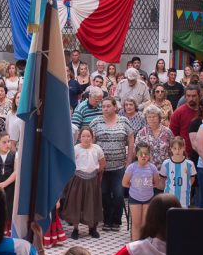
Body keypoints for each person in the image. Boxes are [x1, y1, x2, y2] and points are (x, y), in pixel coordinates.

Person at [90, 98, 134, 232]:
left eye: (108, 106)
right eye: (103, 106)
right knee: (104, 194)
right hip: (102, 167)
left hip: (119, 165)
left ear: (115, 107)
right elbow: (91, 143)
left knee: (118, 194)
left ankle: (116, 220)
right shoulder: (96, 122)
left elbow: (131, 140)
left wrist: (129, 161)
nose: (105, 108)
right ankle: (107, 220)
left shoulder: (123, 121)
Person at [63, 127, 105, 240]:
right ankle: (75, 229)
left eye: (88, 136)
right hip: (78, 179)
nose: (86, 138)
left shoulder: (97, 148)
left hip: (92, 179)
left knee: (92, 204)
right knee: (76, 204)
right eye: (83, 136)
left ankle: (92, 228)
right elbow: (70, 164)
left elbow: (102, 163)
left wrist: (97, 173)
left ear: (92, 137)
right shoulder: (75, 149)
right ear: (79, 137)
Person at [124, 143, 164, 241]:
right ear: (136, 154)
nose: (143, 156)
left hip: (148, 199)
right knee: (136, 223)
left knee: (144, 223)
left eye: (146, 154)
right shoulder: (132, 167)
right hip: (135, 198)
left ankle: (143, 244)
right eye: (141, 153)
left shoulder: (152, 168)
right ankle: (135, 244)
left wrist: (147, 187)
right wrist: (134, 187)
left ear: (149, 155)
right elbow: (125, 183)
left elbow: (156, 182)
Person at [161, 136, 196, 208]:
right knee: (170, 217)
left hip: (184, 198)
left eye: (180, 148)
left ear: (184, 148)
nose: (177, 151)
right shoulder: (166, 163)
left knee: (183, 217)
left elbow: (192, 178)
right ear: (171, 149)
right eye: (175, 148)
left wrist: (186, 186)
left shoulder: (190, 164)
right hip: (169, 197)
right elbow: (163, 179)